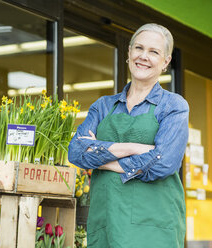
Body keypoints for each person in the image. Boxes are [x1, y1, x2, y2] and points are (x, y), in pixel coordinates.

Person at [68, 23, 188, 248]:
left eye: (154, 52)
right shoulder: (103, 106)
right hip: (107, 219)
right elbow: (76, 151)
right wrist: (133, 147)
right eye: (139, 48)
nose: (144, 56)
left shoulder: (173, 106)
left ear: (165, 62)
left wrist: (103, 160)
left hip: (153, 224)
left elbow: (165, 163)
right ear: (129, 53)